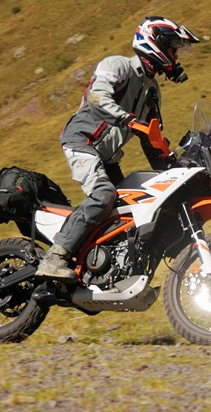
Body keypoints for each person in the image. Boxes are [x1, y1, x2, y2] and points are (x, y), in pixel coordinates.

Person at [36, 16, 200, 281]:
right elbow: (97, 96)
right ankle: (55, 256)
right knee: (103, 195)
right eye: (172, 47)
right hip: (82, 141)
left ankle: (100, 265)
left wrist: (175, 169)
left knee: (130, 205)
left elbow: (152, 139)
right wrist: (127, 119)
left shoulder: (151, 91)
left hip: (108, 157)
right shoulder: (118, 65)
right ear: (154, 43)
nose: (175, 55)